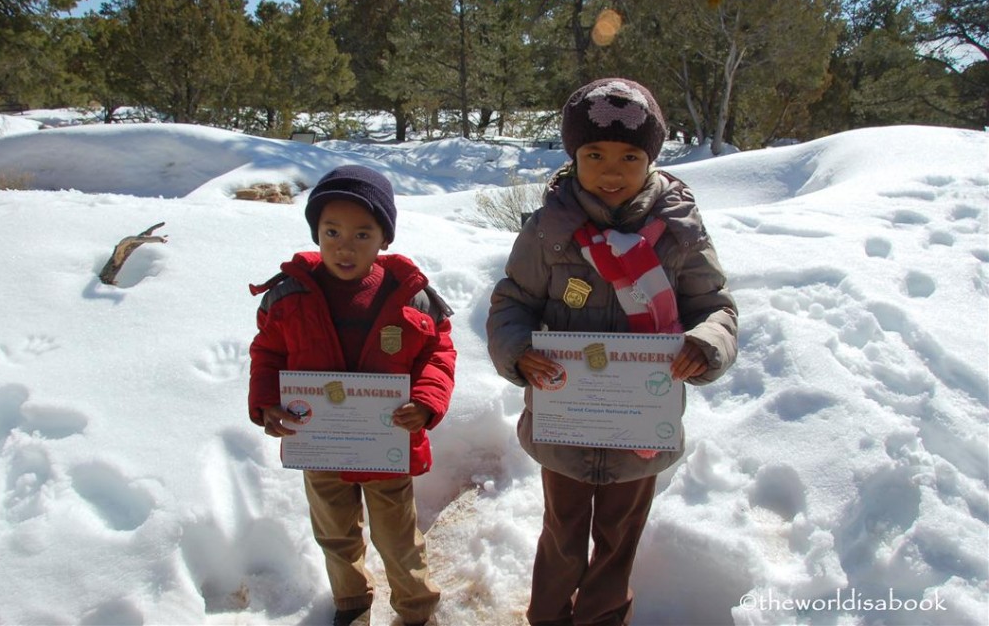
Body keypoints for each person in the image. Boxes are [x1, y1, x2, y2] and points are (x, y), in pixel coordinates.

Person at [486, 78, 738, 626]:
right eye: (593, 154)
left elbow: (715, 306)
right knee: (562, 530)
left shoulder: (677, 232)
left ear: (652, 158)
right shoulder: (549, 230)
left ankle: (602, 617)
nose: (611, 169)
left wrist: (707, 344)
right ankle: (549, 616)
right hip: (565, 419)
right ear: (572, 156)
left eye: (630, 155)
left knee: (620, 536)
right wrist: (519, 352)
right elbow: (512, 302)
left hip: (640, 427)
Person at [248, 165, 456, 626]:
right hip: (320, 445)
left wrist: (425, 400)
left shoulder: (411, 297)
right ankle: (351, 602)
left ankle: (416, 609)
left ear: (385, 238)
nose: (345, 245)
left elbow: (438, 352)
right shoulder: (289, 295)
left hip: (388, 447)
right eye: (332, 231)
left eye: (363, 233)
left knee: (398, 538)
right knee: (335, 535)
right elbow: (267, 353)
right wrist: (266, 404)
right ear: (316, 233)